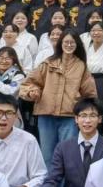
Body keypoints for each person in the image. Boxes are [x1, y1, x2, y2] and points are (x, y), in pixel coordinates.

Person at [20, 29, 98, 166]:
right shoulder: (48, 63)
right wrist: (33, 91)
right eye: (66, 42)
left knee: (67, 155)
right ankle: (49, 181)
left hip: (69, 117)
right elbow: (28, 83)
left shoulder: (81, 66)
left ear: (77, 45)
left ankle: (66, 181)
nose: (69, 45)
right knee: (47, 156)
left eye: (72, 42)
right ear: (60, 44)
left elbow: (89, 94)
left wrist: (80, 107)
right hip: (46, 115)